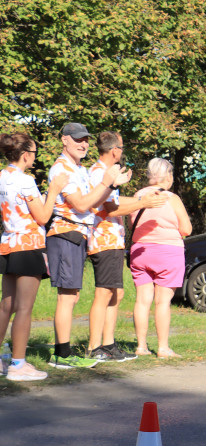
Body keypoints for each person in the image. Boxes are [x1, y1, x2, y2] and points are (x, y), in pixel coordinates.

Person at [47, 122, 126, 369]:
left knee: (73, 295)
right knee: (67, 296)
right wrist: (106, 183)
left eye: (86, 140)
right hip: (65, 232)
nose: (84, 144)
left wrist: (111, 185)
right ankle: (62, 354)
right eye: (78, 139)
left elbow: (93, 204)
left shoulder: (79, 169)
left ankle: (65, 352)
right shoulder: (61, 169)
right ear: (65, 140)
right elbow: (81, 205)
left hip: (78, 234)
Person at [86, 131, 167, 362]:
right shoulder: (100, 173)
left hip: (112, 240)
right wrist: (144, 202)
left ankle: (108, 345)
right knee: (104, 293)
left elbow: (115, 202)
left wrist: (144, 201)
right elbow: (110, 210)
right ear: (114, 151)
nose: (122, 151)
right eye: (121, 147)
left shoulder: (108, 173)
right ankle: (94, 347)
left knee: (116, 293)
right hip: (104, 239)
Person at [0, 133, 69, 381]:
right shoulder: (26, 181)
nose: (35, 158)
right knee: (25, 308)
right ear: (26, 155)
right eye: (34, 154)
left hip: (8, 244)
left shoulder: (1, 177)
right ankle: (18, 365)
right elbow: (41, 216)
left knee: (6, 305)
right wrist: (53, 191)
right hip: (28, 245)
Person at [129, 158, 192, 358]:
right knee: (162, 302)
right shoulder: (171, 198)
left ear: (149, 176)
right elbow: (187, 229)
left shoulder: (138, 196)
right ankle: (163, 348)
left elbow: (133, 225)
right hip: (167, 252)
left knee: (142, 300)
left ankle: (141, 346)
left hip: (140, 252)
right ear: (168, 177)